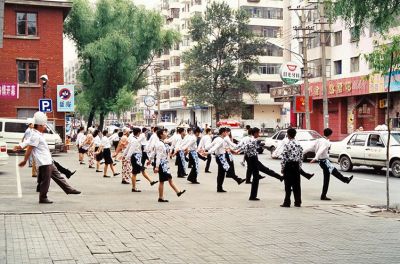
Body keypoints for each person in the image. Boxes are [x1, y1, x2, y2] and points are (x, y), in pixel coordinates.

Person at [17, 111, 81, 204]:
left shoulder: (36, 134)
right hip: (44, 162)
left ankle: (69, 189)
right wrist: (24, 160)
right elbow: (30, 148)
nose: (45, 126)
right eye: (44, 125)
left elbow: (27, 142)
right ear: (39, 126)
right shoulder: (35, 135)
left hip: (48, 161)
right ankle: (43, 198)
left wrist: (20, 146)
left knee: (58, 176)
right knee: (45, 181)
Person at [307, 128, 353, 200]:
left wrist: (302, 153)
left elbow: (310, 148)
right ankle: (345, 180)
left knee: (330, 175)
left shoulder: (319, 140)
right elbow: (321, 150)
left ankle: (345, 180)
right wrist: (315, 158)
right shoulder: (325, 142)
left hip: (322, 161)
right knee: (332, 174)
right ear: (330, 134)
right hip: (324, 161)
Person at [205, 127, 245, 192]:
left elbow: (210, 146)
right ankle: (238, 180)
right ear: (223, 132)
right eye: (226, 132)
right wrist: (207, 152)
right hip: (221, 158)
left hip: (220, 157)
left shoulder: (217, 138)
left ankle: (219, 188)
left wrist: (205, 149)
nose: (227, 133)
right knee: (228, 170)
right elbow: (215, 147)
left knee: (221, 173)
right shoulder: (220, 140)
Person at [154, 129, 186, 202]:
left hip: (164, 164)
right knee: (162, 181)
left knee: (169, 179)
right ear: (161, 135)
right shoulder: (160, 144)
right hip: (162, 164)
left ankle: (178, 192)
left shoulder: (163, 142)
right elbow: (158, 156)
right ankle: (161, 197)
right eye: (165, 132)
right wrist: (156, 166)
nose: (166, 133)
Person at [124, 127, 158, 192]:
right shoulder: (135, 140)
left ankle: (150, 181)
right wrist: (126, 157)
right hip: (136, 157)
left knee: (142, 170)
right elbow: (131, 149)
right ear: (138, 133)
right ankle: (134, 188)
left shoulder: (133, 139)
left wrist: (124, 155)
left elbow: (128, 148)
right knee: (135, 173)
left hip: (137, 157)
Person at [280, 128, 303, 207]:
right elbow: (301, 156)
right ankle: (298, 202)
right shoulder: (298, 144)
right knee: (297, 185)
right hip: (296, 165)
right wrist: (299, 166)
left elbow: (284, 157)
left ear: (288, 135)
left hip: (289, 165)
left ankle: (287, 202)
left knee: (288, 184)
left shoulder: (287, 144)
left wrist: (282, 167)